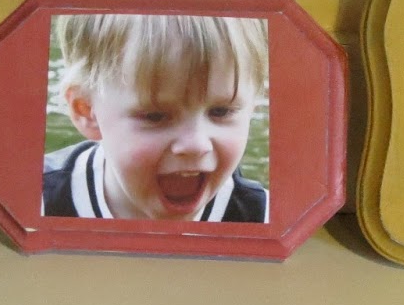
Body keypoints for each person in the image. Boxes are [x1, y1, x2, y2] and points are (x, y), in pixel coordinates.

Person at [43, 13, 269, 222]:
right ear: (86, 111)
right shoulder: (38, 203)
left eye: (221, 111)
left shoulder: (265, 218)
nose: (196, 145)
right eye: (155, 116)